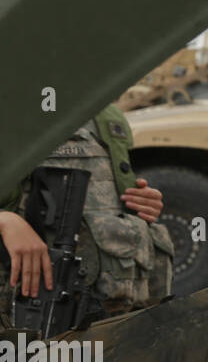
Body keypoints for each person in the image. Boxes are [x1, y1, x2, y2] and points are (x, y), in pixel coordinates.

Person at [1, 105, 174, 324]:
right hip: (27, 319)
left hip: (116, 315)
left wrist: (143, 201)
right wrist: (5, 221)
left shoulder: (104, 114)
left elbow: (109, 202)